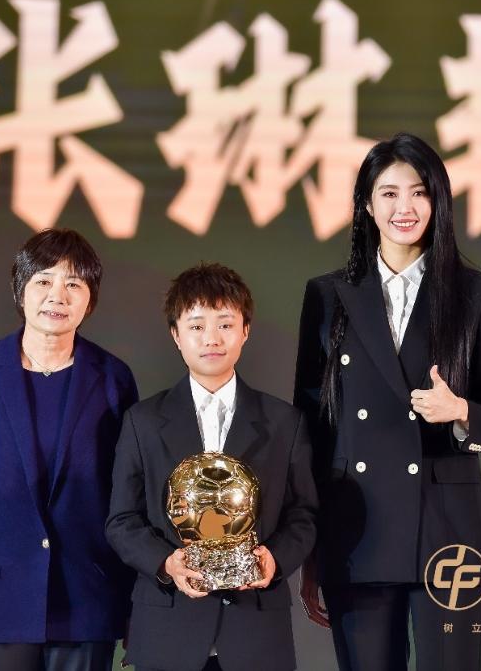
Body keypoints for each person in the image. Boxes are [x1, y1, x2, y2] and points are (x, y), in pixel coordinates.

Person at [294, 133, 481, 671]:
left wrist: (461, 412)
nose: (405, 208)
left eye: (419, 192)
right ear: (366, 204)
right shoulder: (328, 295)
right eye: (389, 193)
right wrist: (313, 545)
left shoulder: (476, 294)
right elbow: (313, 429)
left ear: (438, 201)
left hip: (447, 533)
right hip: (357, 529)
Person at [0, 228, 138, 671]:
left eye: (74, 284)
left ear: (90, 300)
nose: (57, 296)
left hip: (87, 601)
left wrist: (132, 605)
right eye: (44, 280)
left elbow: (128, 499)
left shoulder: (113, 379)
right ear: (20, 289)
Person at [106, 263, 317, 671]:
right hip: (169, 628)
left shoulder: (283, 422)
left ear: (245, 330)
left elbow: (304, 514)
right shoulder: (143, 422)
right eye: (197, 326)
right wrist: (166, 563)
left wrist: (274, 559)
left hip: (256, 631)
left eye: (225, 324)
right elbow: (121, 520)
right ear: (176, 335)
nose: (212, 339)